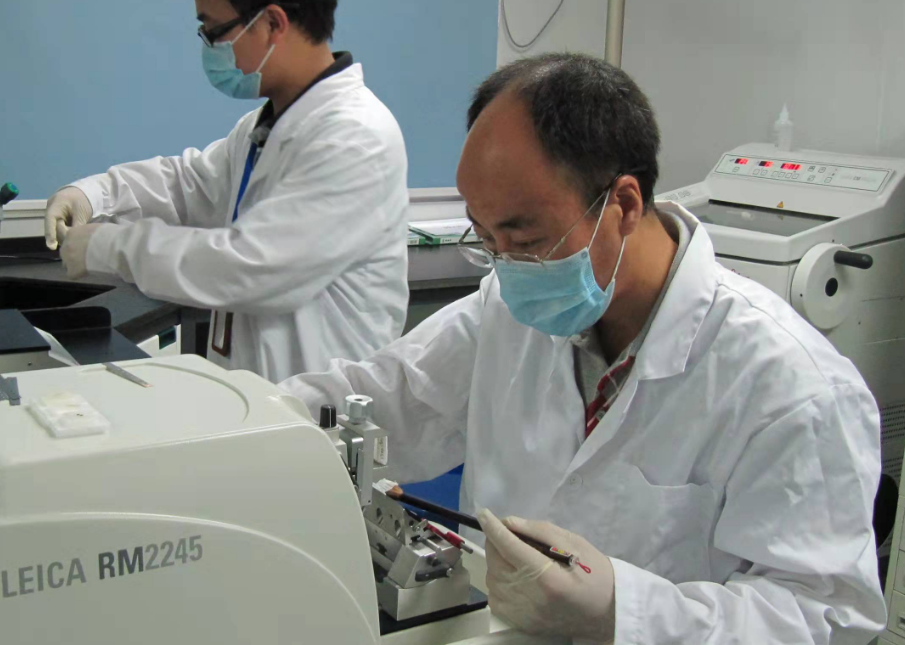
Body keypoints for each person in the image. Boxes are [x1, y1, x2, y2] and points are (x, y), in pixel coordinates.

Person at [279, 53, 885, 643]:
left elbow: (825, 619)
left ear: (623, 205)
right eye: (485, 238)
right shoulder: (508, 310)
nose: (506, 266)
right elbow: (392, 397)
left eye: (525, 238)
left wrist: (622, 609)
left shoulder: (793, 387)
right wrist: (250, 427)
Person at [45, 0, 409, 382]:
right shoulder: (266, 127)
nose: (209, 48)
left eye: (214, 32)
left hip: (322, 400)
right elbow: (189, 184)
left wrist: (108, 247)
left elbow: (253, 267)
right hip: (258, 393)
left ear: (273, 23)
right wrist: (93, 194)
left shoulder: (354, 136)